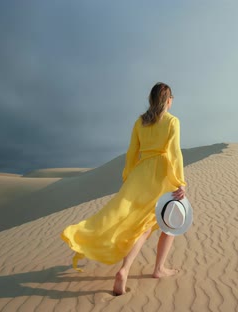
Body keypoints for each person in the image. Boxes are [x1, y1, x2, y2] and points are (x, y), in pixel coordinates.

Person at [60, 82, 187, 296]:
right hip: (162, 175)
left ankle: (125, 269)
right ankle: (159, 269)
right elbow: (174, 153)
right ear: (168, 100)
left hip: (140, 175)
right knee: (169, 222)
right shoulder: (172, 121)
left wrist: (128, 178)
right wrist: (180, 182)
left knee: (142, 226)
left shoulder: (140, 122)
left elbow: (131, 153)